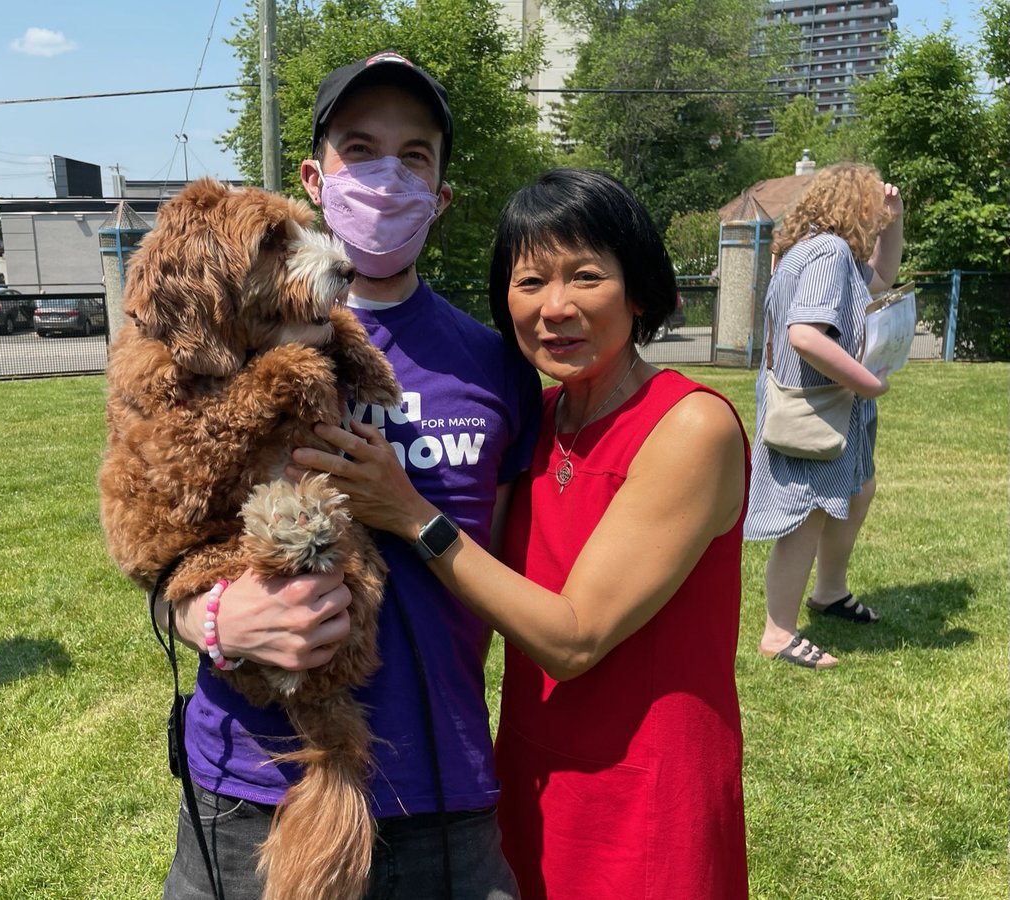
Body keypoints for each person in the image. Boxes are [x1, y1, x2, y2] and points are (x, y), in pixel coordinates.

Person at [294, 168, 751, 899]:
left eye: (587, 277)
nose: (556, 307)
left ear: (639, 290)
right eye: (530, 281)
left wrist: (411, 512)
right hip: (530, 772)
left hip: (646, 791)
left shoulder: (689, 426)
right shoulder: (537, 420)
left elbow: (574, 639)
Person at [150, 52, 541, 899]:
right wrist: (215, 619)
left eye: (414, 156)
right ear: (314, 177)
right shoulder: (224, 344)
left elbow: (512, 580)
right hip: (252, 790)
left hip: (445, 796)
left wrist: (411, 515)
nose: (385, 177)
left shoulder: (496, 368)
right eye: (360, 150)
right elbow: (158, 542)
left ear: (440, 193)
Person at [744, 162, 904, 669]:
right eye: (874, 207)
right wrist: (868, 382)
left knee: (859, 488)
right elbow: (806, 335)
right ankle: (778, 633)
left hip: (830, 410)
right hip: (815, 411)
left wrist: (896, 220)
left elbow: (882, 278)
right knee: (807, 517)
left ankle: (829, 591)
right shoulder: (828, 251)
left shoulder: (817, 248)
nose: (877, 215)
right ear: (851, 204)